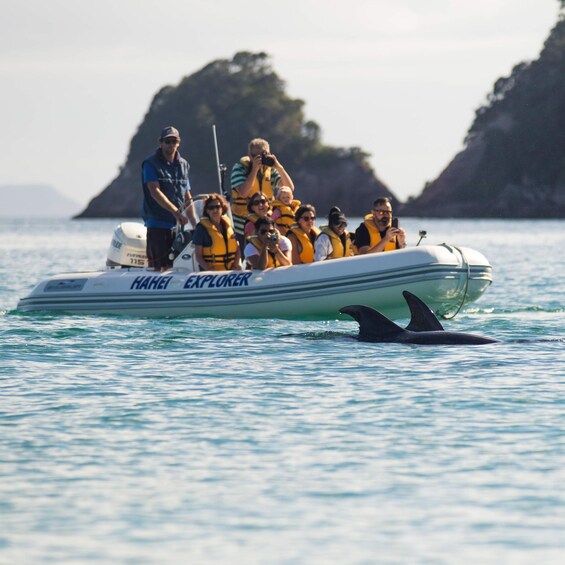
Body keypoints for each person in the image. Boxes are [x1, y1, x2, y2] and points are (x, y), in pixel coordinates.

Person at [141, 126, 197, 271]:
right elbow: (155, 191)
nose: (171, 144)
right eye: (168, 141)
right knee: (159, 266)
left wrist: (195, 222)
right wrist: (175, 211)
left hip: (178, 226)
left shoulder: (183, 164)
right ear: (161, 142)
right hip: (157, 223)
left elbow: (187, 195)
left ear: (178, 143)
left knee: (177, 265)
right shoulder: (151, 164)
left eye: (174, 141)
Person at [230, 138, 294, 248]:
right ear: (249, 156)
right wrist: (254, 169)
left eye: (263, 155)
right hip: (243, 225)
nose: (259, 159)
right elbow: (244, 193)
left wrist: (278, 167)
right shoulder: (240, 168)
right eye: (255, 156)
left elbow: (289, 188)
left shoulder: (270, 171)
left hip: (266, 225)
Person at [192, 194, 241, 271]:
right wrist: (210, 270)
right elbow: (198, 256)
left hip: (232, 270)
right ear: (207, 211)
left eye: (218, 207)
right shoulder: (201, 229)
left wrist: (235, 266)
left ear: (222, 208)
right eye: (211, 208)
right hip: (213, 273)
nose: (215, 210)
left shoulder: (229, 225)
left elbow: (238, 249)